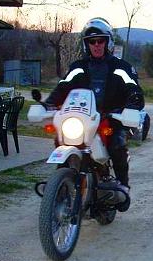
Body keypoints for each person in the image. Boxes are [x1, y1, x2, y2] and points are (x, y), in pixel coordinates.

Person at [45, 17, 144, 198]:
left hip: (110, 119)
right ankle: (59, 188)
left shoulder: (121, 67)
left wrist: (132, 104)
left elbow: (134, 88)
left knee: (116, 144)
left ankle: (123, 185)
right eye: (92, 41)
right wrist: (49, 104)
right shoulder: (78, 67)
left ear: (108, 42)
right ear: (86, 44)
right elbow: (63, 86)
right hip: (83, 118)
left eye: (100, 41)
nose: (96, 45)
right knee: (62, 139)